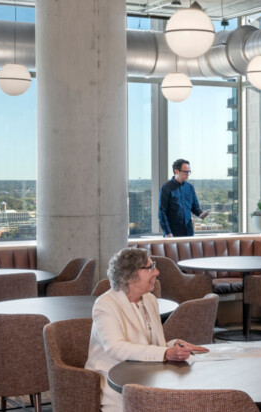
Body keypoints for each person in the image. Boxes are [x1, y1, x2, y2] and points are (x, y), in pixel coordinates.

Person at [86, 248, 208, 412]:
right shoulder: (105, 305)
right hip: (115, 382)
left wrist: (174, 345)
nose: (156, 272)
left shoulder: (149, 300)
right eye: (150, 267)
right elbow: (116, 348)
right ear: (130, 275)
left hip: (148, 377)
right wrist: (165, 353)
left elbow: (153, 343)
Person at [158, 159, 209, 238]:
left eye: (189, 172)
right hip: (172, 233)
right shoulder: (166, 188)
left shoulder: (190, 187)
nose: (187, 174)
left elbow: (194, 207)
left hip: (189, 232)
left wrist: (201, 214)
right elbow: (162, 213)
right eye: (185, 172)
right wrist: (167, 233)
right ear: (176, 171)